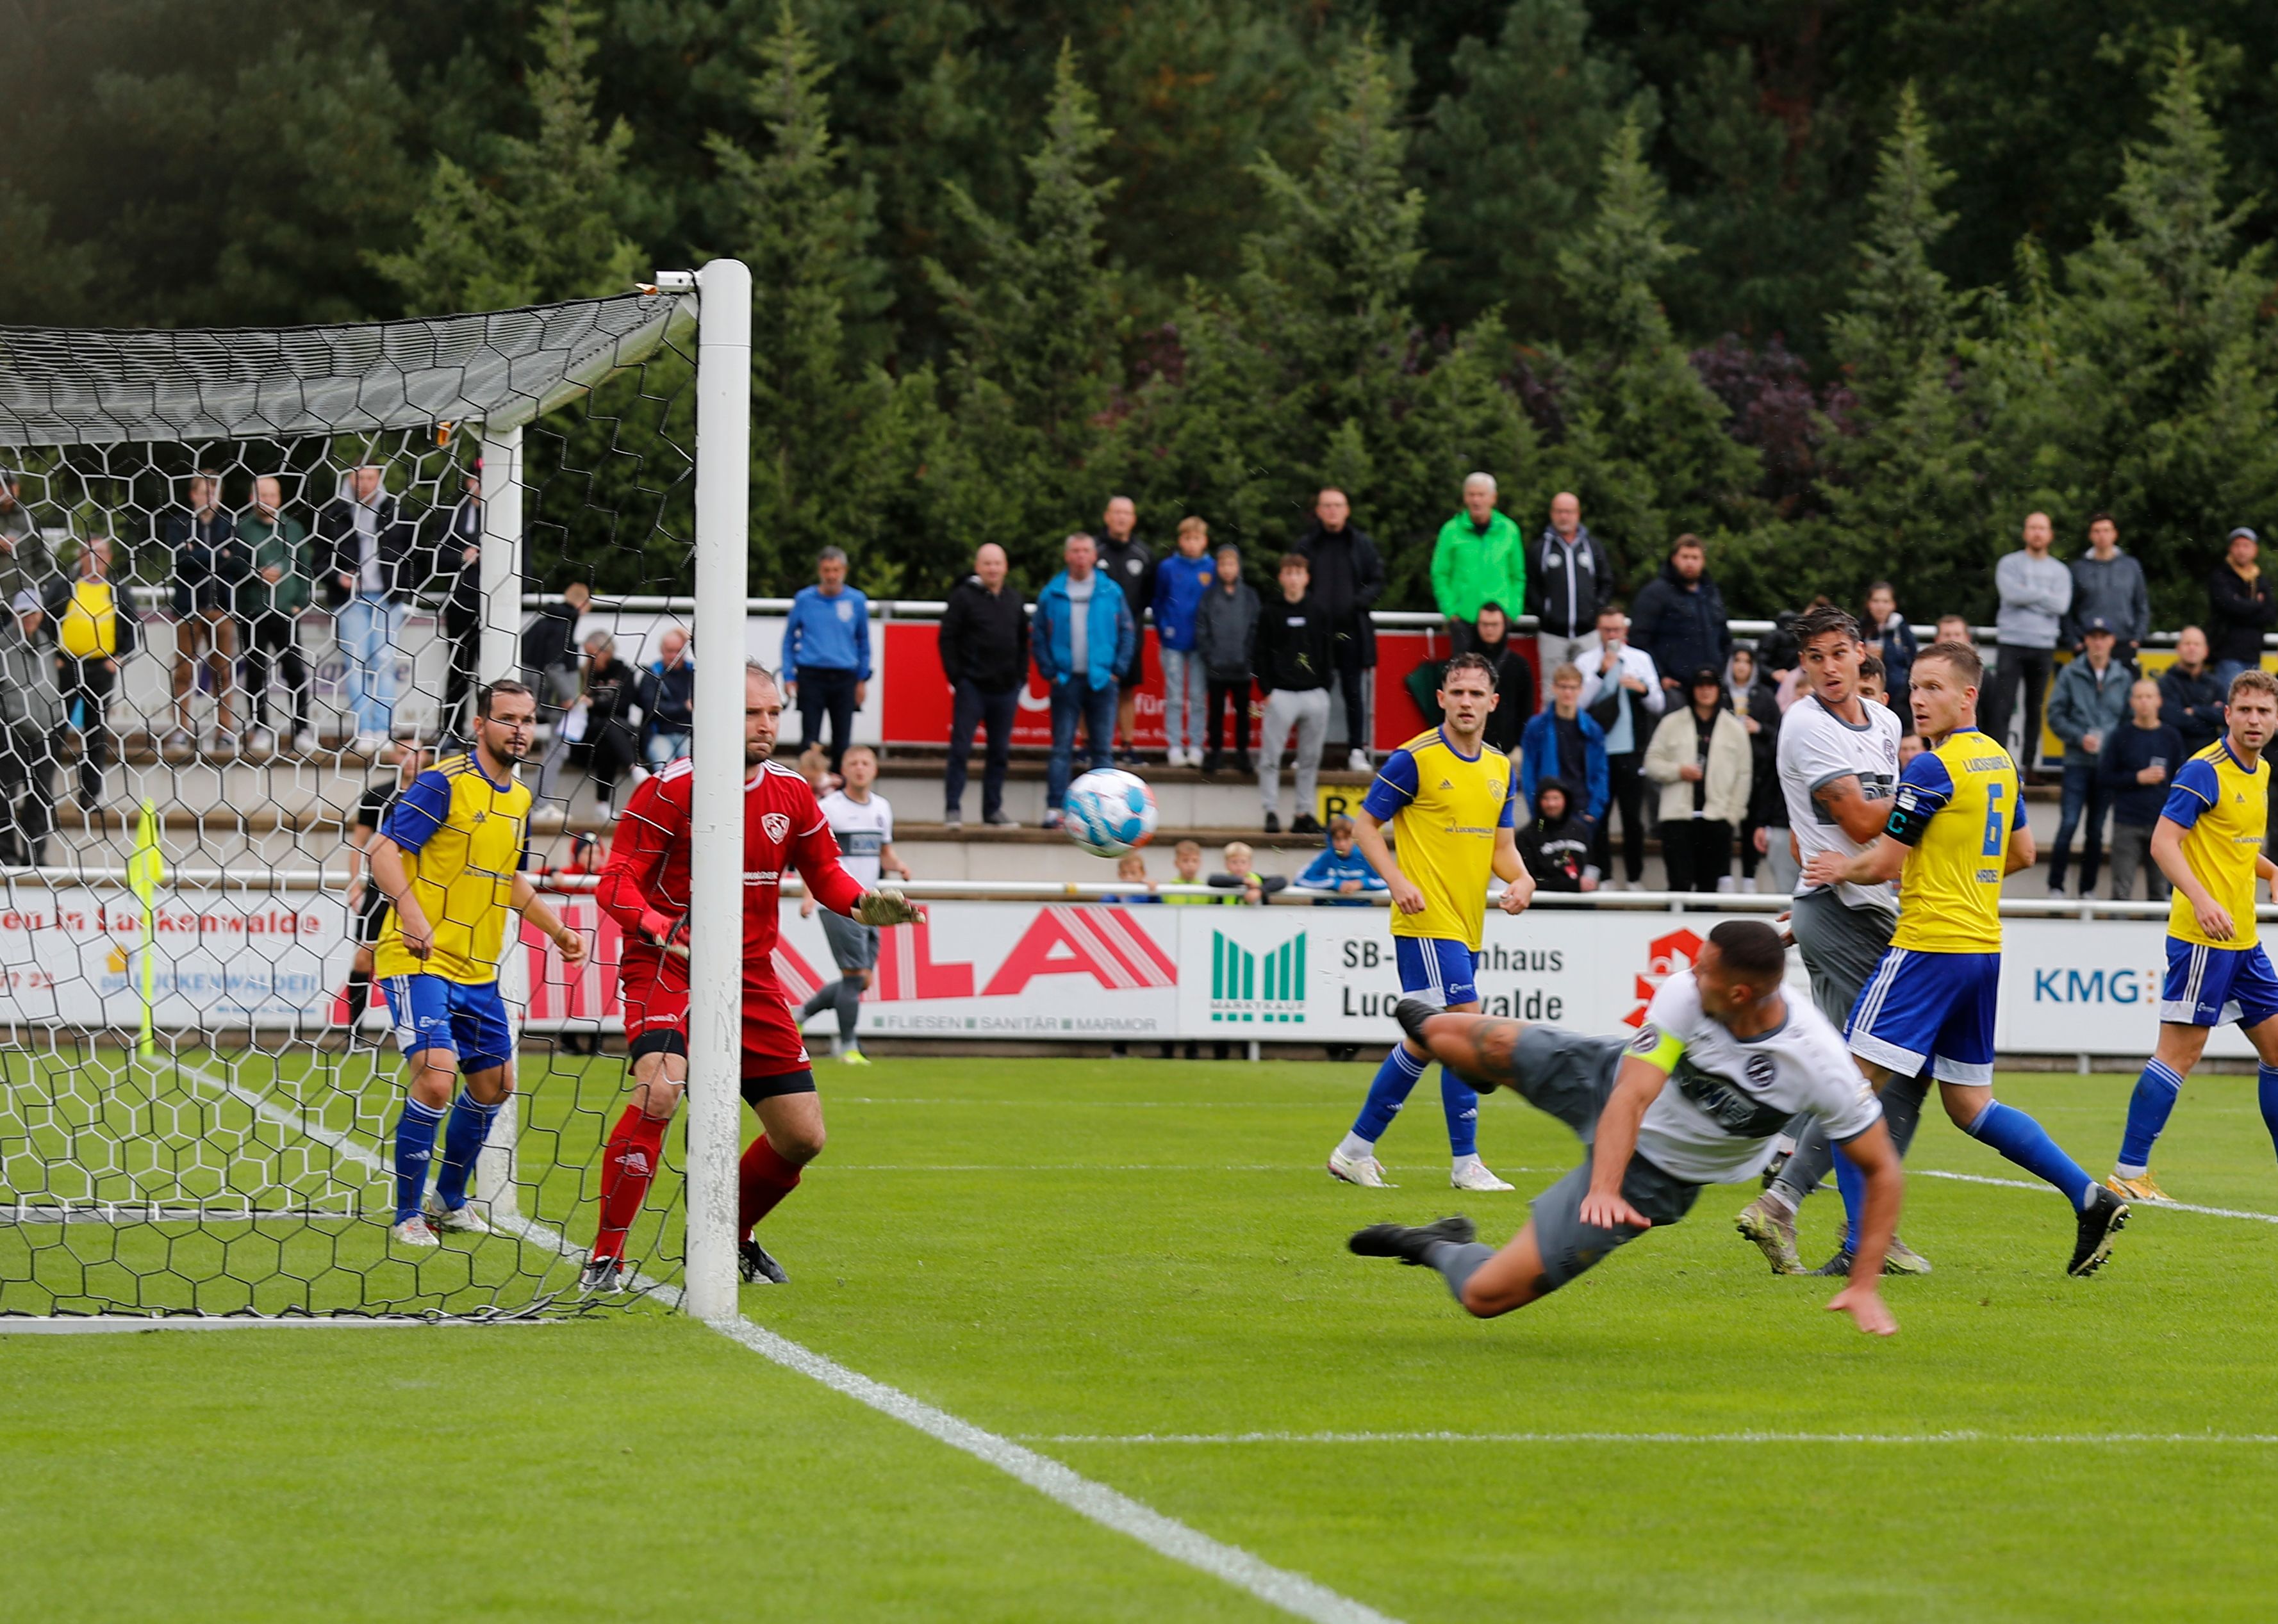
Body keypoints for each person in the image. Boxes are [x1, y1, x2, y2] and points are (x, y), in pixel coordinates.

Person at [1349, 921, 1901, 1336]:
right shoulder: (1689, 991)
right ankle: (1459, 1053)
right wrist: (1602, 1187)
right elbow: (1632, 1093)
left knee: (1485, 1295)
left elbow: (1882, 1170)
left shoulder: (1819, 1062)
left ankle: (1434, 1243)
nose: (1690, 973)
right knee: (1449, 1034)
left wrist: (1863, 1283)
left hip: (1656, 1177)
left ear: (1739, 995)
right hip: (1607, 1079)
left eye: (1705, 969)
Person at [581, 664, 921, 1290]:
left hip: (750, 975)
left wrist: (865, 905)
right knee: (660, 1092)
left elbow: (826, 876)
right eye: (750, 713)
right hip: (666, 966)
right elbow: (616, 881)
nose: (766, 725)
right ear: (714, 715)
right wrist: (661, 927)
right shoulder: (668, 789)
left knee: (802, 1136)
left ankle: (726, 1232)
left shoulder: (792, 794)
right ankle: (605, 1258)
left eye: (773, 713)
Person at [1804, 640, 2130, 1276]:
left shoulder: (1933, 768)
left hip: (1929, 946)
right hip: (1981, 950)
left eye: (1933, 688)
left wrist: (1844, 866)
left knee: (1846, 1089)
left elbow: (1886, 861)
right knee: (1969, 1105)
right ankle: (2090, 1196)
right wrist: (1956, 866)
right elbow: (2024, 854)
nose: (1919, 700)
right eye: (1915, 687)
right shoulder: (2001, 763)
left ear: (1968, 696)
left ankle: (1855, 1249)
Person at [1733, 605, 1923, 1277]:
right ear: (1803, 666)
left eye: (1839, 653)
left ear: (1859, 652)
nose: (1829, 667)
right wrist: (1934, 797)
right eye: (1814, 658)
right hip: (1840, 911)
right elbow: (1868, 818)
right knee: (1864, 1074)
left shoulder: (1887, 724)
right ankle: (1823, 1221)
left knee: (1895, 1070)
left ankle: (1854, 1223)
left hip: (1875, 908)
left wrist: (1909, 812)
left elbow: (1887, 824)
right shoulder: (1805, 726)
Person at [366, 682, 586, 1248]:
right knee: (437, 1079)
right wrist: (412, 916)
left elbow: (509, 878)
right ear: (480, 723)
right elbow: (382, 851)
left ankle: (450, 1198)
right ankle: (407, 1214)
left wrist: (557, 929)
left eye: (528, 719)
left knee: (495, 1084)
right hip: (419, 959)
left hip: (478, 968)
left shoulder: (517, 799)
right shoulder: (445, 781)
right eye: (507, 718)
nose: (519, 729)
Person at [1326, 652, 1535, 1193]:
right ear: (1441, 698)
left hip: (1467, 925)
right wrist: (1397, 881)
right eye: (1456, 692)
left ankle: (1354, 1149)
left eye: (1476, 693)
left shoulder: (1499, 767)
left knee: (1427, 1040)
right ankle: (1466, 1163)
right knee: (1465, 1026)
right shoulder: (1412, 758)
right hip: (1424, 922)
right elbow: (1365, 825)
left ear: (1493, 701)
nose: (1466, 702)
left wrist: (1522, 880)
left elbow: (1502, 846)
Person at [2111, 668, 2278, 1202]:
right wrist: (2202, 900)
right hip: (2203, 939)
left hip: (2242, 940)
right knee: (2179, 1054)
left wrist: (2269, 871)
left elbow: (2229, 843)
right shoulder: (2202, 770)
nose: (2254, 719)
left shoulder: (2260, 772)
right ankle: (2127, 1172)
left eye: (2264, 711)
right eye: (2245, 709)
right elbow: (2164, 843)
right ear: (2227, 714)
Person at [798, 744, 910, 1065]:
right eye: (854, 763)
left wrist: (900, 865)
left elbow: (884, 852)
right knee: (853, 975)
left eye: (866, 763)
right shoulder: (829, 807)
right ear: (843, 771)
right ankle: (848, 1046)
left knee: (863, 980)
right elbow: (813, 858)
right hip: (839, 903)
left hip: (873, 905)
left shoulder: (882, 808)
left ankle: (801, 1014)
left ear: (874, 770)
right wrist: (810, 895)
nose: (860, 768)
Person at [315, 463, 422, 755]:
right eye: (358, 478)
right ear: (350, 480)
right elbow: (319, 560)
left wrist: (402, 587)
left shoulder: (397, 512)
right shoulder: (335, 514)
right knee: (356, 663)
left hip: (387, 600)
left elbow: (415, 555)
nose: (364, 483)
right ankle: (363, 730)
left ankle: (383, 729)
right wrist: (339, 576)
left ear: (379, 479)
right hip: (350, 601)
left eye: (370, 477)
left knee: (384, 663)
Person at [1033, 532, 1134, 830]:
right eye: (1075, 551)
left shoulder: (1110, 591)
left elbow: (1128, 632)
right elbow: (1038, 634)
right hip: (1065, 680)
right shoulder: (1052, 592)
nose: (1080, 556)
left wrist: (1118, 668)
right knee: (1062, 747)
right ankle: (1055, 808)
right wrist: (1049, 670)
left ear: (1094, 556)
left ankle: (1106, 812)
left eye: (1085, 551)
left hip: (1103, 680)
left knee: (1103, 749)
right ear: (1067, 556)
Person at [342, 746, 433, 1038]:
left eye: (418, 753)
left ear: (429, 756)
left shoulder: (437, 794)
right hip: (381, 889)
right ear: (395, 757)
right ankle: (355, 1034)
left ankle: (423, 1032)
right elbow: (359, 841)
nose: (412, 759)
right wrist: (355, 883)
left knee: (426, 959)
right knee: (364, 958)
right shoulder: (378, 795)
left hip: (425, 890)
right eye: (405, 752)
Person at [1292, 488, 1387, 770]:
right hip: (1315, 634)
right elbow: (1293, 581)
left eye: (1338, 505)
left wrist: (1357, 603)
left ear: (1347, 510)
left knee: (1353, 692)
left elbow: (1378, 580)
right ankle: (1307, 754)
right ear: (1319, 511)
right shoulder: (1307, 545)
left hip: (1352, 631)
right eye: (1327, 506)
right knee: (1310, 693)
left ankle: (1357, 750)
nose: (1332, 510)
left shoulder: (1362, 544)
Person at [936, 542, 1027, 830]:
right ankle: (953, 808)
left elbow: (1024, 641)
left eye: (997, 563)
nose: (992, 569)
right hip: (972, 687)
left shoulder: (1014, 599)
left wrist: (1020, 677)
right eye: (987, 564)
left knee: (999, 753)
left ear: (1005, 567)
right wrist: (958, 678)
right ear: (978, 567)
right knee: (961, 749)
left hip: (1005, 689)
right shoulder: (963, 598)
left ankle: (993, 810)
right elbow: (947, 638)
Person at [44, 537, 136, 815]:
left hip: (101, 669)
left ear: (109, 557)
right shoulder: (65, 587)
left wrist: (118, 659)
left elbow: (133, 632)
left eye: (101, 553)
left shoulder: (118, 591)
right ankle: (43, 793)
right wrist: (55, 659)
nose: (95, 558)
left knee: (96, 733)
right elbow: (47, 623)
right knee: (55, 730)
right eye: (89, 553)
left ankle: (89, 796)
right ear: (81, 556)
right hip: (68, 667)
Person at [1578, 604, 1663, 889]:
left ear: (1624, 630)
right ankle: (1604, 874)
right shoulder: (1586, 661)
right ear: (1598, 631)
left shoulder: (1640, 659)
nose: (1612, 635)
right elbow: (1577, 705)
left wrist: (1642, 688)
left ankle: (1634, 877)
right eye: (1606, 630)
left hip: (1631, 750)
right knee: (1598, 816)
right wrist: (1601, 674)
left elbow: (1658, 704)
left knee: (1632, 818)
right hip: (1597, 751)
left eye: (1616, 629)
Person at [161, 472, 249, 750]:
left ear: (220, 496)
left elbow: (241, 565)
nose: (209, 498)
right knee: (184, 671)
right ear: (193, 495)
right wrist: (218, 555)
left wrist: (199, 554)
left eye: (214, 492)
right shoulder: (179, 524)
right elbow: (180, 561)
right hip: (189, 610)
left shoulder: (232, 526)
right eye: (204, 492)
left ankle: (224, 730)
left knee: (222, 671)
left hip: (222, 609)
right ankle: (180, 729)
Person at [2045, 616, 2131, 897]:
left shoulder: (2123, 676)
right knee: (2069, 824)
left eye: (2102, 636)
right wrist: (2079, 737)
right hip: (2077, 762)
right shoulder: (2071, 673)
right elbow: (2055, 714)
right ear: (2086, 641)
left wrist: (2114, 746)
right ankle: (2056, 887)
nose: (2097, 642)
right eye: (2093, 636)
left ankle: (2087, 889)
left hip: (2106, 766)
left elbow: (2128, 720)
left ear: (2111, 641)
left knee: (2095, 831)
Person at [1644, 667, 1751, 893]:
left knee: (1709, 887)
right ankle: (1675, 927)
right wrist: (1678, 771)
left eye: (1710, 686)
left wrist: (1732, 815)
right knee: (1678, 883)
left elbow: (1744, 775)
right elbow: (1651, 762)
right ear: (1692, 690)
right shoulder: (1671, 723)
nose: (1705, 691)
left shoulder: (1734, 728)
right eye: (1700, 686)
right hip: (1677, 817)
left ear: (1719, 690)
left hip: (1717, 818)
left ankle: (1705, 929)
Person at [1985, 511, 2071, 775]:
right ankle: (1997, 761)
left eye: (2042, 528)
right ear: (2025, 532)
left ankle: (2029, 765)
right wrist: (2044, 596)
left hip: (2044, 645)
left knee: (2036, 708)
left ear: (2050, 534)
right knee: (2003, 705)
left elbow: (2062, 605)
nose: (2037, 533)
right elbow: (2010, 595)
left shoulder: (2060, 570)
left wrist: (2028, 594)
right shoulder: (2009, 564)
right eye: (2032, 527)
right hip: (2012, 642)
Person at [1255, 552, 1333, 835]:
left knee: (1310, 758)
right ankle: (1271, 811)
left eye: (1298, 573)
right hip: (1282, 695)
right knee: (1271, 757)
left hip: (1314, 693)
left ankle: (1304, 812)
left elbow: (1326, 651)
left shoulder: (1318, 611)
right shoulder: (1270, 611)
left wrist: (1325, 688)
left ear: (1306, 578)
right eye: (1288, 573)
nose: (1293, 579)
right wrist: (1268, 691)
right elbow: (1260, 653)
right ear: (1281, 577)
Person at [236, 474, 313, 755]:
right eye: (261, 494)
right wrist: (254, 574)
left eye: (271, 495)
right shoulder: (242, 530)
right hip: (252, 610)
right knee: (256, 673)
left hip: (285, 611)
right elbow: (232, 567)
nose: (266, 500)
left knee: (294, 671)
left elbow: (305, 567)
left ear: (280, 498)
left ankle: (302, 729)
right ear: (251, 497)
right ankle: (261, 730)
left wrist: (300, 602)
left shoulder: (292, 529)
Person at [781, 546, 871, 775]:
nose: (832, 575)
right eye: (827, 570)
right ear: (820, 571)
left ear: (844, 571)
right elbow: (789, 638)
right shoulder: (805, 599)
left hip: (845, 676)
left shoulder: (856, 600)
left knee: (843, 737)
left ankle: (841, 787)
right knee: (810, 736)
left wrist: (862, 679)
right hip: (812, 674)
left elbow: (863, 641)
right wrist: (789, 675)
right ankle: (806, 785)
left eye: (836, 570)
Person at [1524, 491, 1614, 705]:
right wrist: (1544, 613)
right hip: (1552, 635)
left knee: (1590, 690)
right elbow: (1530, 586)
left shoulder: (1592, 547)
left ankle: (1585, 738)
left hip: (1588, 635)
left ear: (1578, 514)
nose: (1564, 516)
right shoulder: (1540, 548)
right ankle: (1553, 739)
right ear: (1552, 514)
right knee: (1552, 692)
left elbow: (1607, 581)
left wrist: (1595, 610)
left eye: (1569, 512)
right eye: (1560, 511)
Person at [2101, 678, 2183, 903]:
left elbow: (2182, 777)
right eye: (2139, 697)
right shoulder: (2120, 736)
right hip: (2127, 822)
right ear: (2131, 703)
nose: (2144, 702)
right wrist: (2137, 778)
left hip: (2162, 824)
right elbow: (2104, 777)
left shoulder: (2171, 736)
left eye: (2149, 696)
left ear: (2159, 701)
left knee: (2160, 892)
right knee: (2121, 890)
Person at [1430, 473, 1524, 654]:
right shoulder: (1451, 531)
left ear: (1493, 498)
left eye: (1481, 495)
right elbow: (1439, 573)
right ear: (1465, 498)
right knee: (1464, 677)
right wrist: (1451, 612)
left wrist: (1512, 612)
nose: (1476, 500)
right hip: (1464, 619)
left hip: (1498, 620)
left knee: (1495, 676)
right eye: (1471, 495)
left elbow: (1518, 575)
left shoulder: (1509, 530)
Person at [0, 591, 61, 866]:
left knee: (41, 797)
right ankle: (7, 855)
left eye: (34, 612)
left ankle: (35, 857)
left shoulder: (48, 645)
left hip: (45, 733)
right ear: (15, 613)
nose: (30, 618)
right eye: (24, 612)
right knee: (5, 797)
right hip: (11, 732)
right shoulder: (3, 644)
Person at [1093, 496, 1155, 764]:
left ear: (1133, 519)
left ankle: (1127, 746)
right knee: (1091, 689)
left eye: (1126, 513)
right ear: (1107, 517)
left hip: (1130, 638)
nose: (1120, 518)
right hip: (1095, 636)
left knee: (1127, 691)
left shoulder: (1144, 554)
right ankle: (1088, 746)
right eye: (1116, 512)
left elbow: (1148, 595)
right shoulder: (1093, 550)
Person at [1628, 536, 1731, 697]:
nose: (1690, 563)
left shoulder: (1711, 593)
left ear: (1703, 561)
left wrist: (1721, 670)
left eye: (1695, 558)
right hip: (1674, 688)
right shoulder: (1656, 593)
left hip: (1710, 687)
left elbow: (1724, 638)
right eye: (1685, 557)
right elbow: (1639, 639)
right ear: (1674, 558)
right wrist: (1660, 675)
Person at [1518, 664, 1610, 843]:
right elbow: (1529, 771)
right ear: (1554, 688)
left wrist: (1594, 810)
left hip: (1582, 809)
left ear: (1581, 690)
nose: (1568, 692)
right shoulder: (1537, 727)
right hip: (1549, 808)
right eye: (1563, 687)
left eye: (1573, 687)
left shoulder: (1592, 729)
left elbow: (1601, 772)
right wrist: (1536, 807)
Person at [1153, 518, 1217, 768]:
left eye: (1197, 538)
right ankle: (1175, 745)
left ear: (1204, 541)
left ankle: (1197, 746)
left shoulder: (1211, 568)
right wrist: (1164, 628)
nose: (1192, 543)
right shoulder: (1168, 568)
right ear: (1180, 541)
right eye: (1187, 538)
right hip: (1173, 642)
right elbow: (1158, 602)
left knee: (1199, 696)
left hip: (1201, 644)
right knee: (1175, 696)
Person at [433, 466, 484, 743]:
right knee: (458, 669)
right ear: (469, 483)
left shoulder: (509, 514)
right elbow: (435, 558)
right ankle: (451, 730)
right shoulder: (453, 516)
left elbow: (524, 566)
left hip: (496, 609)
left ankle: (488, 732)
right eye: (478, 479)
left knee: (493, 671)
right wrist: (461, 559)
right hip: (461, 604)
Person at [1728, 646, 1781, 893]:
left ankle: (1749, 878)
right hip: (1725, 770)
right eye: (1737, 660)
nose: (1741, 666)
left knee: (1752, 825)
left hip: (1757, 771)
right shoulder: (1720, 693)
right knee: (1724, 825)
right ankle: (1724, 877)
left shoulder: (1764, 695)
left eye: (1746, 661)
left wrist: (1758, 728)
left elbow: (1778, 734)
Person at [2064, 513, 2148, 669]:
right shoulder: (2079, 568)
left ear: (2115, 534)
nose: (2102, 535)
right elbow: (2068, 610)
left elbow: (2142, 605)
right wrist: (2074, 642)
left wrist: (2137, 638)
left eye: (2106, 530)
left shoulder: (2131, 566)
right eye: (2097, 531)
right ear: (2090, 535)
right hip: (2088, 643)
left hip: (2123, 643)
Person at [577, 632, 643, 815]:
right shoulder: (584, 674)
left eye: (592, 654)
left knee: (609, 739)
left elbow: (624, 704)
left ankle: (602, 805)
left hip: (617, 730)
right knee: (607, 726)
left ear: (606, 652)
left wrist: (595, 703)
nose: (589, 659)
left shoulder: (624, 672)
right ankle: (634, 768)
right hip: (587, 736)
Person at [2207, 526, 2275, 690]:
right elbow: (2229, 607)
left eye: (2246, 545)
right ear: (2230, 549)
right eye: (2237, 545)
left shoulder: (2261, 580)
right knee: (2232, 702)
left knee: (2252, 703)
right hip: (2226, 653)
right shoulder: (2220, 576)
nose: (2241, 550)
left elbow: (2271, 615)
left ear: (2255, 550)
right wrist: (2257, 604)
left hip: (2253, 653)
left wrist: (2241, 606)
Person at [1469, 603, 1536, 751]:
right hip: (1469, 748)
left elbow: (1526, 710)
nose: (1490, 629)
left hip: (1508, 750)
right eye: (1485, 624)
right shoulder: (1463, 664)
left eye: (1495, 624)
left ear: (1504, 625)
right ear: (1477, 626)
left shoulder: (1519, 665)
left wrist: (1520, 746)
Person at [521, 578, 592, 715]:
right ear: (583, 604)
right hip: (535, 688)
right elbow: (553, 667)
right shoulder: (563, 625)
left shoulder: (548, 619)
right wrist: (568, 697)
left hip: (527, 684)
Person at [1517, 778, 1596, 892]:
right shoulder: (1526, 836)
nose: (1551, 804)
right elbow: (1529, 880)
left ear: (1565, 800)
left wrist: (1589, 883)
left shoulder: (1580, 829)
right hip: (1547, 906)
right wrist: (1572, 886)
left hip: (1582, 905)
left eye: (1556, 798)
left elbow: (1592, 864)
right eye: (1546, 798)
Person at [2159, 625, 2226, 754]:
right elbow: (2174, 719)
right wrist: (2210, 721)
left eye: (2197, 644)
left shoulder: (2215, 684)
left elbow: (2226, 715)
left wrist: (2195, 711)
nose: (2192, 648)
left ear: (2206, 651)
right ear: (2178, 649)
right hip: (2176, 754)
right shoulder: (2166, 683)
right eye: (2187, 644)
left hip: (2211, 756)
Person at [636, 626, 695, 769]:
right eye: (670, 651)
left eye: (679, 651)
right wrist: (684, 707)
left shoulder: (694, 673)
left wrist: (691, 638)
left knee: (692, 766)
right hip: (659, 734)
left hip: (688, 735)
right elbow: (652, 708)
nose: (674, 656)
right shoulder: (652, 674)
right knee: (665, 767)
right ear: (662, 650)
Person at [1298, 814, 1387, 905]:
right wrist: (1333, 884)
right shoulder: (1325, 857)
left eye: (1346, 839)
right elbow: (1301, 879)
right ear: (1331, 839)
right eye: (1337, 839)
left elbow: (1386, 881)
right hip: (1327, 914)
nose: (1342, 844)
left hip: (1360, 914)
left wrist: (1362, 883)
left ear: (1354, 839)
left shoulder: (1365, 857)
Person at [1862, 582, 1915, 717]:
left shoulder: (1901, 628)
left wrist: (1887, 654)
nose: (1881, 606)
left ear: (1893, 605)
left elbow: (1913, 658)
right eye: (1876, 601)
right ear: (1869, 604)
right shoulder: (1861, 629)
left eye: (1885, 601)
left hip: (1900, 698)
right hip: (1869, 695)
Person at [0, 470, 49, 609]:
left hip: (24, 601)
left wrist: (36, 587)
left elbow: (40, 557)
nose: (7, 491)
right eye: (2, 486)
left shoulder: (28, 518)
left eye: (11, 485)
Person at [1209, 841, 1286, 905]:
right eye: (1234, 862)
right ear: (1226, 864)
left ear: (1250, 864)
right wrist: (1244, 881)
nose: (1239, 866)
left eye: (1243, 862)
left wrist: (1260, 891)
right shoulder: (1224, 880)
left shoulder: (1256, 879)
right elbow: (1212, 879)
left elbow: (1281, 880)